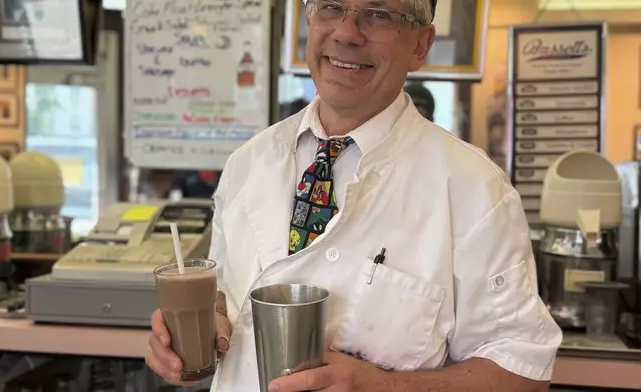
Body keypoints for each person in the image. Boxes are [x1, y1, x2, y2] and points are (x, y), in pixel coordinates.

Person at [146, 0, 562, 390]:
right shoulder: (247, 163)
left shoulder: (475, 189)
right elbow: (228, 295)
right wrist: (203, 327)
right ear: (309, 21)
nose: (346, 32)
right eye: (331, 6)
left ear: (421, 45)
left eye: (378, 14)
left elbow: (523, 372)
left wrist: (385, 386)